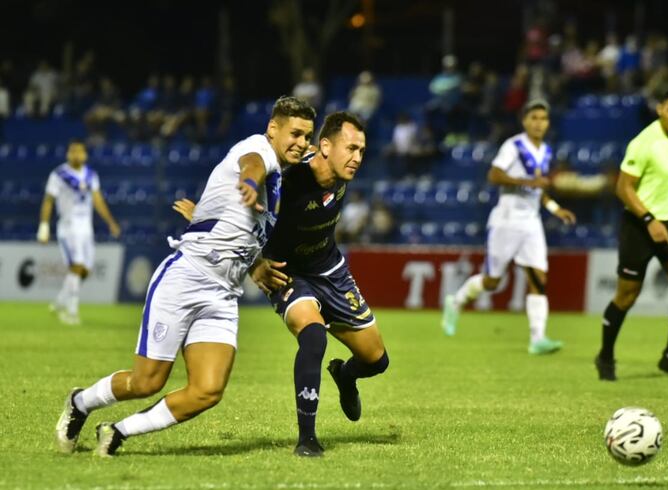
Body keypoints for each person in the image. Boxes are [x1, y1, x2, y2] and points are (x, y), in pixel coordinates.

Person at [53, 96, 316, 457]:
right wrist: (250, 183)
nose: (301, 143)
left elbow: (236, 229)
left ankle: (116, 432)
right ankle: (80, 402)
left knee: (208, 390)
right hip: (186, 279)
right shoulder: (258, 150)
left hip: (222, 294)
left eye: (307, 137)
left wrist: (255, 264)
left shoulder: (279, 185)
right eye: (295, 133)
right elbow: (251, 165)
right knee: (146, 381)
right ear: (273, 128)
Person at [179, 112, 389, 457]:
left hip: (331, 270)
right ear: (324, 146)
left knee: (376, 361)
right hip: (286, 273)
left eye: (362, 151)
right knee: (313, 335)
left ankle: (345, 376)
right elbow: (238, 210)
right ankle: (307, 438)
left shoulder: (341, 174)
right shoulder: (287, 180)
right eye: (351, 148)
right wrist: (253, 263)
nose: (357, 158)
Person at [441, 99, 576, 355]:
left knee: (539, 279)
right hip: (507, 219)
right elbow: (494, 175)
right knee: (493, 282)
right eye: (534, 118)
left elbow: (539, 190)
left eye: (543, 119)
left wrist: (556, 209)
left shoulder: (546, 151)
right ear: (524, 121)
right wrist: (525, 180)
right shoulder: (513, 146)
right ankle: (456, 302)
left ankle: (538, 338)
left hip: (532, 222)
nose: (539, 123)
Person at [594, 88, 668, 382]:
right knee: (627, 296)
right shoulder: (644, 142)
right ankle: (605, 356)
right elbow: (623, 188)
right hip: (639, 226)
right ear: (660, 110)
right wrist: (649, 219)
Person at [37, 140, 121, 325]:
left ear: (85, 154)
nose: (76, 154)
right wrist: (44, 226)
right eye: (72, 151)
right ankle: (71, 312)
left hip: (86, 228)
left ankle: (60, 302)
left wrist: (111, 222)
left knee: (84, 271)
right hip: (68, 227)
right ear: (68, 153)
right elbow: (48, 200)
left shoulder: (91, 175)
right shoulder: (59, 174)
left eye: (79, 151)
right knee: (76, 266)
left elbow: (98, 200)